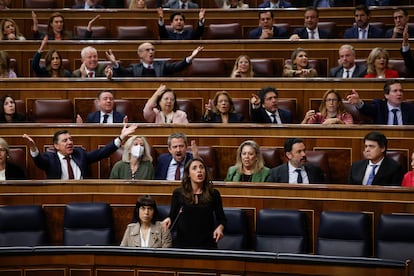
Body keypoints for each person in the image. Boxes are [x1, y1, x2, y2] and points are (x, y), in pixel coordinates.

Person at [22, 123, 138, 179]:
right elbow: (39, 162)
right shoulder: (50, 158)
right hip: (59, 197)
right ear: (56, 146)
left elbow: (102, 153)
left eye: (71, 139)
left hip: (82, 196)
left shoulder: (79, 154)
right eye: (65, 141)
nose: (70, 142)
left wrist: (121, 137)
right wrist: (33, 148)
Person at [161, 158, 226, 249]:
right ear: (188, 174)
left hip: (207, 245)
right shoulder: (178, 194)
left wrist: (220, 228)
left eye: (201, 167)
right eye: (194, 168)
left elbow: (222, 219)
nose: (199, 170)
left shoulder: (213, 194)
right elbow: (172, 216)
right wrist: (168, 220)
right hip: (183, 245)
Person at [107, 42, 203, 77]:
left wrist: (190, 58)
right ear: (140, 54)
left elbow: (176, 67)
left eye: (153, 50)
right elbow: (123, 73)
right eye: (147, 50)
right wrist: (115, 63)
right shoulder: (135, 67)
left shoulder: (162, 65)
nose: (151, 52)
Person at [347, 80, 414, 125]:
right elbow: (367, 109)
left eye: (401, 91)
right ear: (386, 95)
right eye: (395, 91)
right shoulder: (379, 106)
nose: (399, 93)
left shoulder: (410, 108)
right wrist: (358, 102)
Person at [32, 11, 99, 40]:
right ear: (51, 24)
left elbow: (83, 41)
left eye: (61, 22)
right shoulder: (46, 36)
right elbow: (36, 37)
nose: (59, 24)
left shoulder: (69, 35)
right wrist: (35, 24)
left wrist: (89, 27)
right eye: (56, 22)